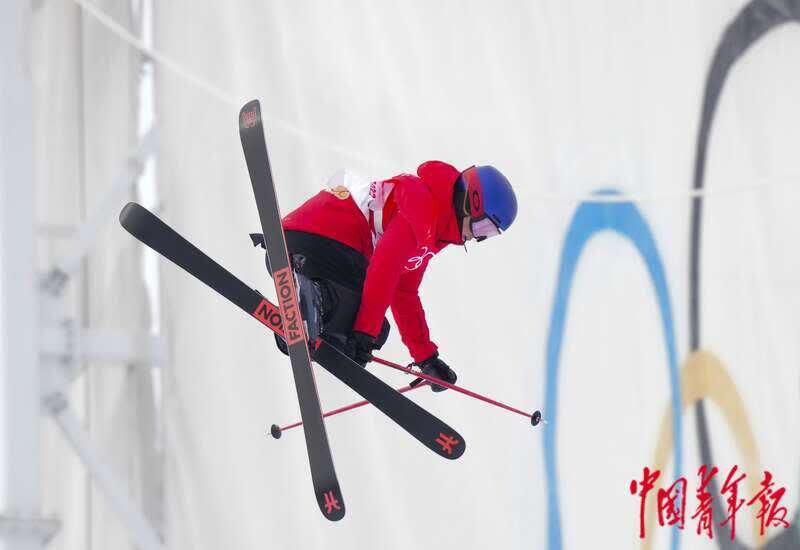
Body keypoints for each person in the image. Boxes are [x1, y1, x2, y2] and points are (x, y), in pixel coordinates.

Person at [251, 160, 517, 391]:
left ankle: (306, 320)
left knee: (376, 331)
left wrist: (426, 357)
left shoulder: (434, 235)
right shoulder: (422, 204)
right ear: (472, 201)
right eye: (483, 226)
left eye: (488, 234)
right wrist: (363, 333)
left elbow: (403, 291)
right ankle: (312, 303)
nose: (478, 236)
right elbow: (384, 267)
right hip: (314, 237)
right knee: (362, 322)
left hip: (323, 256)